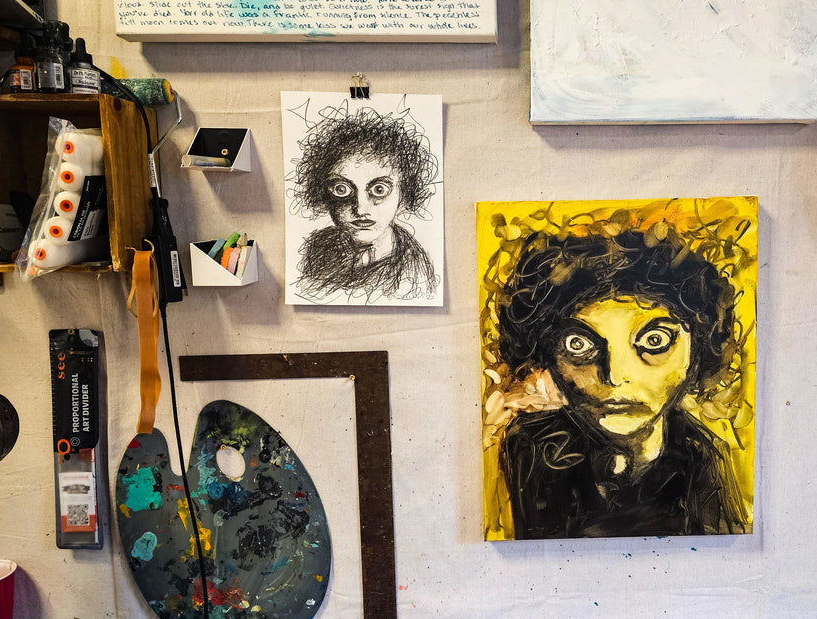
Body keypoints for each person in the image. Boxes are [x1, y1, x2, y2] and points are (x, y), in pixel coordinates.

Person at [497, 230, 750, 539]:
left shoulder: (704, 467)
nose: (615, 376)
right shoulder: (527, 448)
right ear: (547, 355)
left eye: (654, 341)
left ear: (697, 350)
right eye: (578, 344)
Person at [291, 107, 439, 302]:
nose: (360, 209)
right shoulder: (315, 251)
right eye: (341, 189)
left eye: (379, 190)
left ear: (404, 194)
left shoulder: (415, 275)